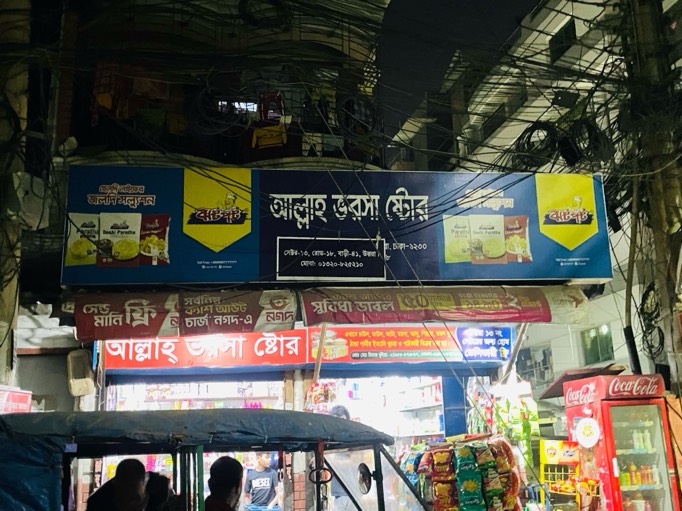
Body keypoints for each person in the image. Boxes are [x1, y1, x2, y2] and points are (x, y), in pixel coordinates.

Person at [327, 406, 354, 511]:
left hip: (349, 493)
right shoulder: (334, 438)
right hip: (341, 492)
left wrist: (331, 463)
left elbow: (354, 461)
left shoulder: (352, 437)